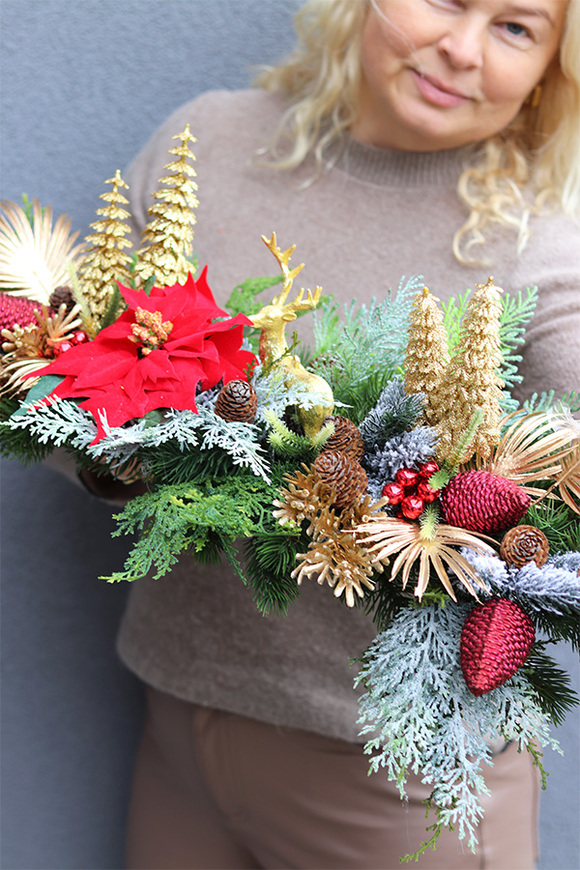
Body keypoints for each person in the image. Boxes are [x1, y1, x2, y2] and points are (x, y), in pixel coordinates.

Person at [111, 1, 580, 867]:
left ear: (553, 67)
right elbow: (92, 379)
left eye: (517, 27)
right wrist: (115, 455)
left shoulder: (543, 244)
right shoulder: (204, 145)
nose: (462, 49)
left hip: (399, 787)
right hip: (178, 715)